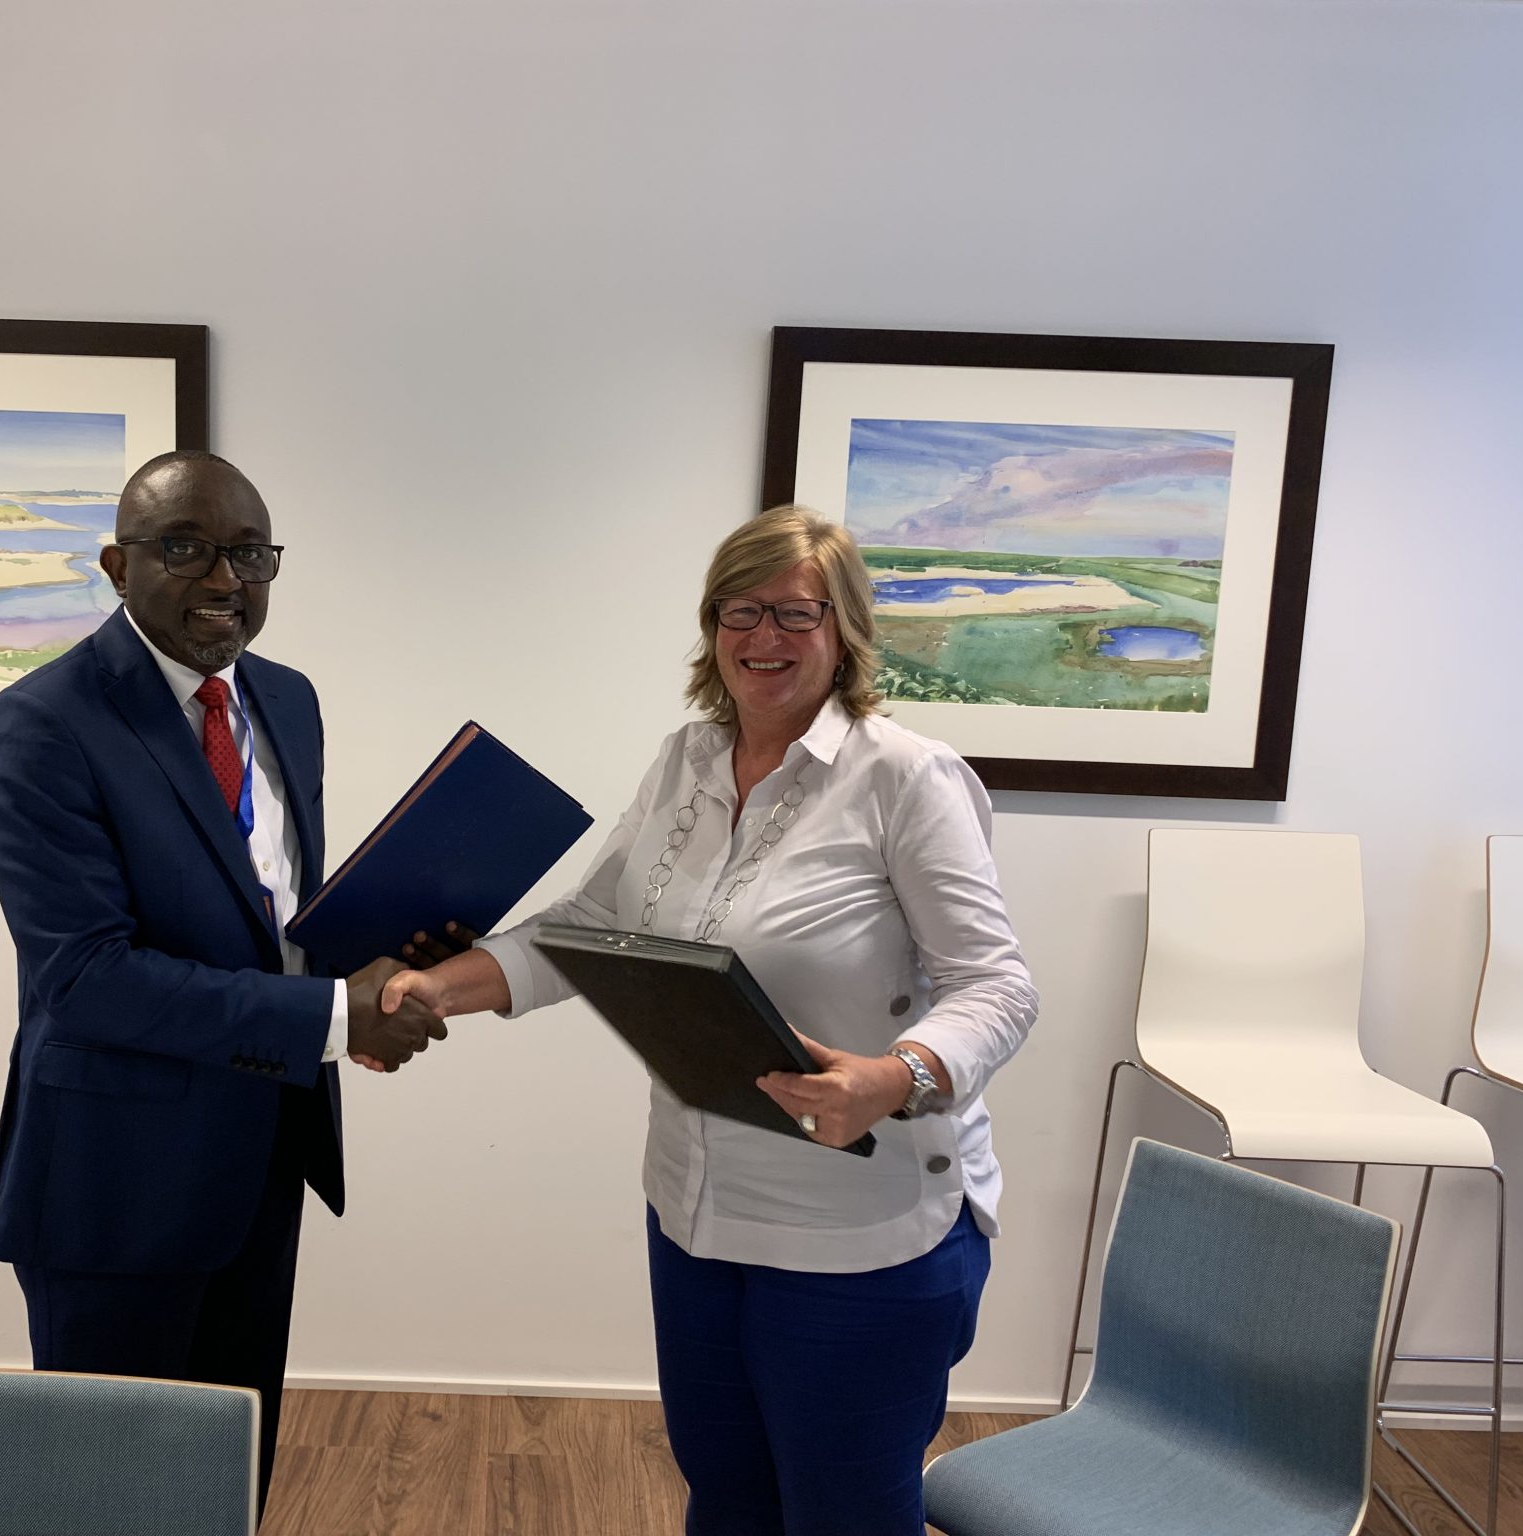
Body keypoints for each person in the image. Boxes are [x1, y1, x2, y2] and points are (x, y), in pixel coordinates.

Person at [383, 505, 1038, 1536]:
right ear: (711, 624)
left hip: (857, 1239)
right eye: (741, 609)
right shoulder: (685, 760)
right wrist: (437, 991)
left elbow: (998, 986)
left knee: (844, 1517)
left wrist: (894, 1077)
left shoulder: (904, 777)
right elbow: (589, 928)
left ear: (843, 631)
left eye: (795, 613)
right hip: (693, 1216)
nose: (764, 636)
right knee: (727, 1503)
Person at [0, 450, 454, 1515]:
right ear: (117, 565)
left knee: (225, 1481)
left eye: (250, 554)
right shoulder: (42, 723)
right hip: (116, 1180)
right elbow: (87, 978)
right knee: (104, 1499)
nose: (225, 579)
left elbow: (271, 912)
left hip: (261, 1154)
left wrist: (386, 968)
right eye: (185, 548)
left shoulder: (286, 700)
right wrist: (333, 1016)